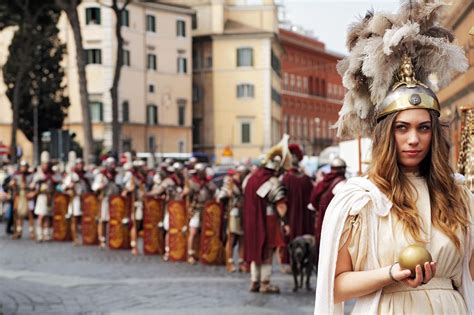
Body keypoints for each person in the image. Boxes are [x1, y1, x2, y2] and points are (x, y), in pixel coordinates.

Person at [315, 3, 473, 314]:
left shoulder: (459, 195)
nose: (414, 139)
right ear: (388, 134)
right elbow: (336, 285)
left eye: (423, 128)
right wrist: (391, 274)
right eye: (402, 128)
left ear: (434, 133)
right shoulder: (361, 200)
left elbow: (469, 274)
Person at [243, 134, 291, 293]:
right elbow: (281, 205)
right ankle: (264, 282)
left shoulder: (250, 178)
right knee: (267, 250)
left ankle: (254, 281)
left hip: (251, 220)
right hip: (267, 220)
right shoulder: (272, 182)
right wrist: (285, 223)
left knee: (255, 248)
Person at [309, 156, 346, 265]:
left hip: (322, 217)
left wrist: (320, 209)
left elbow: (313, 201)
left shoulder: (322, 182)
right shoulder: (342, 184)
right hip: (335, 220)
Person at [217, 164, 249, 273]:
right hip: (233, 213)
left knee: (242, 239)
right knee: (230, 239)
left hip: (243, 212)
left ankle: (241, 262)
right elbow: (220, 197)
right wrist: (227, 194)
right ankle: (229, 262)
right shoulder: (229, 183)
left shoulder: (245, 184)